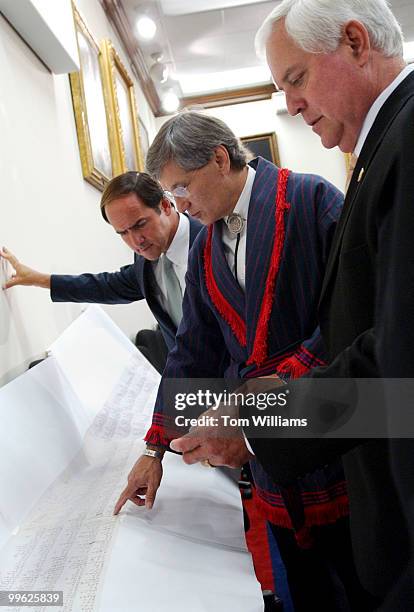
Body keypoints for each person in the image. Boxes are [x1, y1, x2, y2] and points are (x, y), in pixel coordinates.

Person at [172, 1, 414, 608]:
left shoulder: (398, 147)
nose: (291, 104)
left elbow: (396, 369)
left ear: (356, 42)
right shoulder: (380, 150)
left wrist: (260, 423)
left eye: (297, 78)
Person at [113, 112, 373, 610]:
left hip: (336, 437)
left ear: (219, 158)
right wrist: (155, 449)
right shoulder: (208, 243)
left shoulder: (312, 200)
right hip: (266, 459)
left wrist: (271, 391)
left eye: (183, 187)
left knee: (364, 581)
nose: (180, 203)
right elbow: (192, 349)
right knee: (305, 587)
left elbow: (352, 317)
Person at [1, 172, 203, 372]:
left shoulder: (211, 238)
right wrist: (37, 279)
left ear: (165, 206)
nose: (135, 242)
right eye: (123, 233)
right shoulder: (146, 258)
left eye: (140, 224)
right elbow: (107, 286)